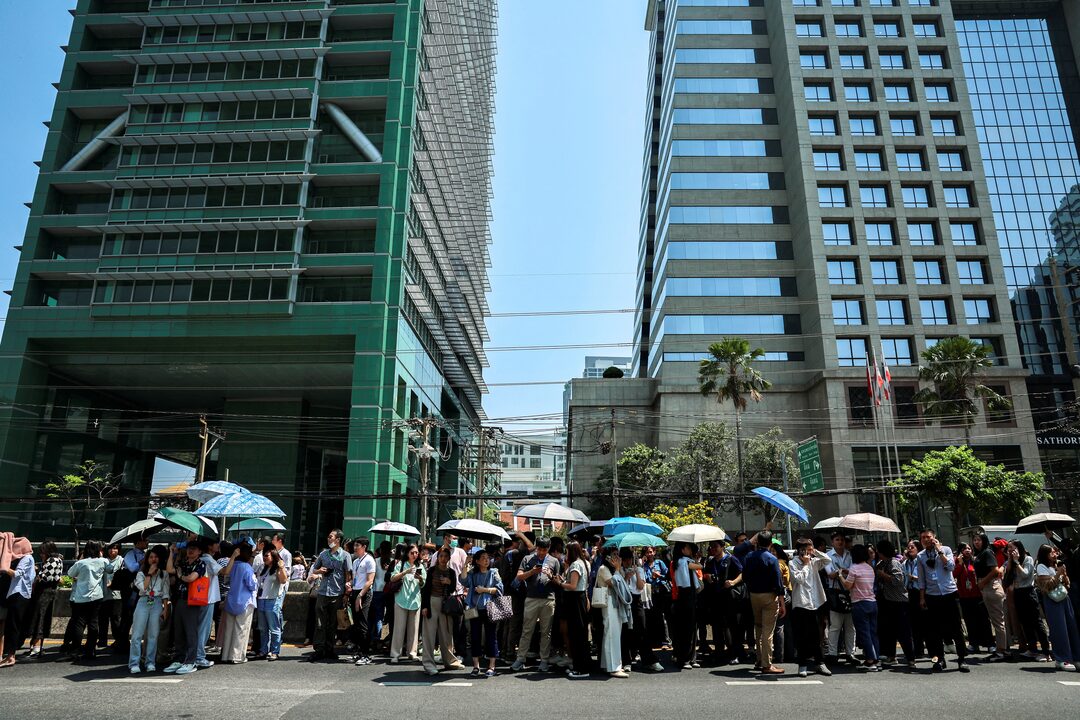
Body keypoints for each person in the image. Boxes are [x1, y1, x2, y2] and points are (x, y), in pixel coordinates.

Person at [915, 528, 969, 672]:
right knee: (934, 630)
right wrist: (922, 598)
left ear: (934, 537)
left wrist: (939, 551)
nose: (925, 540)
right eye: (923, 537)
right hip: (932, 595)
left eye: (928, 537)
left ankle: (962, 659)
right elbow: (921, 579)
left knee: (956, 628)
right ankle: (939, 659)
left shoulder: (946, 549)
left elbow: (951, 566)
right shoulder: (920, 556)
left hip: (949, 593)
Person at [511, 536, 561, 672]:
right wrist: (532, 571)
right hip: (531, 598)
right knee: (527, 630)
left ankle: (544, 660)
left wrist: (550, 576)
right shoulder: (527, 559)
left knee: (546, 632)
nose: (541, 552)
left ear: (549, 548)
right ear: (536, 547)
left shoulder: (554, 561)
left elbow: (558, 581)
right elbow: (519, 576)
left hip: (548, 599)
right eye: (539, 549)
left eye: (544, 550)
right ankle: (520, 658)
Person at [60, 540, 113, 660]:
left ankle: (75, 650)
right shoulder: (103, 561)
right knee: (93, 623)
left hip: (81, 597)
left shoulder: (81, 563)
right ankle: (91, 650)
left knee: (79, 623)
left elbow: (70, 573)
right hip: (97, 596)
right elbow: (111, 569)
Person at [163, 540, 209, 675]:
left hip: (192, 601)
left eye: (194, 548)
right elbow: (169, 569)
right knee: (179, 631)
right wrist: (171, 553)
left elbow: (191, 578)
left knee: (190, 631)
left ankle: (191, 661)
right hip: (180, 599)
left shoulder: (201, 563)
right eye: (189, 548)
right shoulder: (183, 563)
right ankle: (179, 658)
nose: (190, 550)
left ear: (199, 551)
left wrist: (180, 575)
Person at [743, 531, 786, 675]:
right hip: (769, 596)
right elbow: (778, 583)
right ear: (770, 543)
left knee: (759, 628)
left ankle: (759, 660)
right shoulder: (772, 559)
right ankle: (767, 664)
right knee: (768, 632)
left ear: (757, 542)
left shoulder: (749, 556)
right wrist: (782, 602)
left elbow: (745, 576)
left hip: (754, 595)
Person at [789, 538, 832, 678]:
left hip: (816, 602)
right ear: (799, 550)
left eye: (809, 549)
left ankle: (820, 663)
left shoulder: (814, 561)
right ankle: (802, 665)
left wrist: (815, 552)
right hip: (801, 603)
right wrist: (806, 564)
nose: (808, 552)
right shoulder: (793, 563)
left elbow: (828, 560)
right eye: (805, 549)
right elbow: (799, 579)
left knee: (816, 635)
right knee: (802, 636)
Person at [308, 529, 352, 662]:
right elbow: (314, 569)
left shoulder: (345, 555)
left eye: (331, 537)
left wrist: (346, 593)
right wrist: (320, 571)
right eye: (328, 537)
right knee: (319, 622)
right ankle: (319, 649)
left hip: (337, 593)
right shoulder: (323, 554)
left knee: (333, 623)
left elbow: (348, 574)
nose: (328, 539)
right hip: (322, 592)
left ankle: (329, 648)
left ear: (338, 540)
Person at [1035, 543, 1080, 671]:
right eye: (1052, 552)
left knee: (1071, 628)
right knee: (1059, 629)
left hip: (1064, 598)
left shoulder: (1056, 565)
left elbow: (1067, 584)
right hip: (1052, 600)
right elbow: (1047, 586)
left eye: (1055, 552)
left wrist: (1064, 575)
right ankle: (1062, 659)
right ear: (1045, 555)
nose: (1055, 554)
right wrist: (1057, 574)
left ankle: (1075, 657)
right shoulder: (1041, 567)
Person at [1005, 541, 1051, 661]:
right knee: (1025, 622)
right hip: (1018, 592)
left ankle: (1046, 652)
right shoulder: (1012, 561)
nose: (1010, 550)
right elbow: (1007, 574)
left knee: (1036, 622)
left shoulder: (1028, 559)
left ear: (1019, 548)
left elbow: (1025, 574)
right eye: (1008, 548)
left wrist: (1016, 561)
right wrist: (1010, 560)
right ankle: (1032, 649)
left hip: (1028, 592)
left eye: (1012, 548)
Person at [421, 547, 463, 676]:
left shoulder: (451, 572)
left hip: (445, 604)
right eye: (441, 556)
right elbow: (426, 589)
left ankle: (450, 661)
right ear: (437, 558)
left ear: (449, 558)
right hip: (432, 602)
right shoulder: (432, 570)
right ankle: (429, 665)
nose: (443, 559)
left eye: (445, 556)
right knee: (429, 635)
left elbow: (452, 589)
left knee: (446, 634)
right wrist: (425, 606)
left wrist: (449, 582)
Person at [128, 545, 169, 674]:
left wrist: (165, 609)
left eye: (156, 557)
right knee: (137, 634)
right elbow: (144, 588)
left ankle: (150, 662)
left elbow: (166, 592)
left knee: (153, 635)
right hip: (143, 601)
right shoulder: (141, 574)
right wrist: (149, 574)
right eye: (151, 557)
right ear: (147, 559)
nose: (153, 559)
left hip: (157, 602)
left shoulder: (164, 574)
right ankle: (134, 663)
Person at [620, 547, 662, 672]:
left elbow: (640, 586)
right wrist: (626, 577)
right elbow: (620, 587)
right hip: (625, 600)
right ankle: (626, 661)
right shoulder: (620, 570)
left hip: (637, 600)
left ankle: (649, 660)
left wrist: (637, 572)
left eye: (629, 559)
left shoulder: (639, 569)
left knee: (642, 630)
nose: (627, 562)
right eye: (625, 560)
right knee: (626, 631)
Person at [875, 539, 914, 668]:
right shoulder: (883, 563)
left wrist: (883, 575)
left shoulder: (893, 563)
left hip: (899, 602)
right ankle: (891, 656)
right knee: (890, 631)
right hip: (888, 601)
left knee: (903, 632)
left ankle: (910, 659)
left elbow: (898, 580)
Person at [464, 548, 503, 678]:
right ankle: (476, 666)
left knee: (491, 636)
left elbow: (499, 589)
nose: (486, 560)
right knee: (474, 636)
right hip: (474, 608)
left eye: (488, 558)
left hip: (490, 608)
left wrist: (484, 590)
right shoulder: (473, 573)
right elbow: (463, 580)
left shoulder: (494, 572)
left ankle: (492, 666)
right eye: (483, 558)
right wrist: (465, 564)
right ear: (477, 561)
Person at [839, 544, 879, 671]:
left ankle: (870, 661)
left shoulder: (854, 568)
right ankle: (876, 659)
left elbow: (847, 586)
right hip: (872, 603)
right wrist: (848, 572)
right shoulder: (869, 568)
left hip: (859, 604)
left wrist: (840, 575)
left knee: (864, 633)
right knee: (872, 633)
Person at [557, 541, 592, 678]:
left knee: (577, 634)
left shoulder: (576, 564)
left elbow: (572, 585)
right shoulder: (584, 563)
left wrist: (560, 583)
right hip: (580, 598)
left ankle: (580, 669)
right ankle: (581, 666)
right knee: (580, 633)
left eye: (567, 551)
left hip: (575, 599)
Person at [219, 544, 257, 664]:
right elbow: (252, 585)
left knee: (229, 630)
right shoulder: (247, 567)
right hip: (245, 601)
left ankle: (226, 655)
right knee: (241, 629)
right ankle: (237, 656)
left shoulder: (232, 565)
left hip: (231, 600)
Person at [973, 533, 1008, 660]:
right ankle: (1002, 649)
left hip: (991, 587)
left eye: (979, 540)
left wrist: (983, 582)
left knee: (998, 622)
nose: (976, 542)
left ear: (984, 541)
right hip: (986, 588)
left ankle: (1001, 651)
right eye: (975, 540)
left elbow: (995, 570)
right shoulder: (980, 553)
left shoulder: (987, 552)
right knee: (996, 621)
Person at [25, 541, 62, 659]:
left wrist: (37, 572)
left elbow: (46, 577)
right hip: (49, 592)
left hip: (44, 592)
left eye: (43, 552)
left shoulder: (52, 560)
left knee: (39, 618)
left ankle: (36, 647)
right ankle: (35, 646)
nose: (41, 554)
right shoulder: (58, 559)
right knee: (41, 618)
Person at [0, 536, 33, 667]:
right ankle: (10, 655)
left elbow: (17, 574)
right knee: (13, 625)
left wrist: (4, 567)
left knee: (13, 626)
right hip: (19, 594)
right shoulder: (27, 559)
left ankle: (10, 657)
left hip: (19, 595)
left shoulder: (26, 558)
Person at [595, 549, 629, 678]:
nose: (617, 557)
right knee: (611, 634)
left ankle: (607, 665)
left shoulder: (612, 569)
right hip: (609, 601)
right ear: (607, 556)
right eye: (614, 554)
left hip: (615, 602)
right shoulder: (603, 569)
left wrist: (619, 571)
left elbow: (622, 583)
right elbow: (613, 583)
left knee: (613, 633)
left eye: (617, 554)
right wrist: (618, 569)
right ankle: (614, 667)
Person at [388, 544, 424, 663]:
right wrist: (405, 572)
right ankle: (395, 654)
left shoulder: (420, 566)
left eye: (416, 553)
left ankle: (412, 652)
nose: (414, 555)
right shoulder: (401, 564)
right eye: (412, 552)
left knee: (414, 629)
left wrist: (420, 579)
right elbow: (392, 578)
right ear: (407, 553)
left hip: (415, 600)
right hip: (401, 599)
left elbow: (423, 583)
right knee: (399, 628)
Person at [825, 532, 856, 664]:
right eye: (837, 540)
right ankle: (832, 653)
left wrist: (841, 572)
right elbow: (830, 574)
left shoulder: (850, 555)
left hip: (850, 592)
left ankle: (850, 653)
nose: (840, 542)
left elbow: (853, 573)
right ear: (832, 542)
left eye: (842, 539)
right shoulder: (828, 556)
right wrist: (844, 571)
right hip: (835, 592)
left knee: (850, 625)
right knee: (835, 625)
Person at [954, 542, 990, 653]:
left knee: (983, 619)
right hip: (964, 596)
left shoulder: (976, 561)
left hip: (978, 595)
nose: (967, 550)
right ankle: (973, 644)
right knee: (969, 621)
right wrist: (960, 563)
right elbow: (954, 575)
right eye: (964, 549)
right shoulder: (957, 562)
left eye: (969, 548)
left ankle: (989, 643)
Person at [671, 541, 702, 669]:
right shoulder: (684, 561)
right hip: (687, 595)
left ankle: (689, 658)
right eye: (688, 547)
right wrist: (697, 560)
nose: (690, 550)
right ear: (682, 550)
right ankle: (685, 659)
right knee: (687, 629)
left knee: (689, 628)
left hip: (686, 595)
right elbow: (700, 566)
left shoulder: (679, 561)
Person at [255, 548, 287, 661]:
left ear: (273, 557)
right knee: (262, 628)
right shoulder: (263, 568)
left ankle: (274, 651)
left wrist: (281, 567)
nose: (264, 558)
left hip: (272, 600)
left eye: (267, 556)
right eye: (264, 555)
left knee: (274, 628)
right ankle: (263, 650)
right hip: (261, 600)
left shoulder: (278, 568)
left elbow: (283, 580)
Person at [350, 537, 378, 666]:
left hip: (364, 593)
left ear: (364, 547)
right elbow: (355, 579)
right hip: (355, 591)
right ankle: (358, 652)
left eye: (358, 545)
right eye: (355, 545)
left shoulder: (369, 560)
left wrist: (360, 595)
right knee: (356, 623)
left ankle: (366, 654)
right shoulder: (356, 561)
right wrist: (349, 584)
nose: (355, 548)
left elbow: (370, 580)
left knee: (363, 623)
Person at [641, 546, 671, 650]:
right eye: (647, 552)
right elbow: (644, 579)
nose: (649, 554)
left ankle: (666, 640)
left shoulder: (659, 563)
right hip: (650, 592)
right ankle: (654, 640)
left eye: (650, 552)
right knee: (651, 616)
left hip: (661, 592)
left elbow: (668, 575)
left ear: (654, 552)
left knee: (661, 616)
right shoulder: (644, 566)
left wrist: (659, 576)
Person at [96, 543, 124, 652]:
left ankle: (118, 640)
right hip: (103, 594)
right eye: (111, 548)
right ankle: (102, 640)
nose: (113, 551)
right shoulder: (103, 561)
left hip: (117, 595)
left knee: (116, 619)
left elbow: (123, 576)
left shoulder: (122, 561)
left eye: (115, 548)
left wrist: (114, 583)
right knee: (102, 619)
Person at [903, 539, 927, 658]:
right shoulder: (905, 563)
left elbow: (925, 577)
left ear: (918, 548)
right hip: (910, 593)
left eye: (912, 547)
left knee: (925, 622)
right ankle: (918, 650)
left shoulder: (921, 560)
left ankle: (933, 649)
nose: (910, 549)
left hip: (922, 592)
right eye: (908, 547)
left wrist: (914, 578)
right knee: (914, 624)